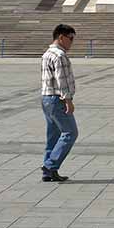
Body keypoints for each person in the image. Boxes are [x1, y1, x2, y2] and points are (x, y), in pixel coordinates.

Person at [41, 24, 77, 183]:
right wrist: (68, 100)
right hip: (58, 99)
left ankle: (49, 171)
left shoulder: (47, 53)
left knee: (53, 136)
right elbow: (61, 80)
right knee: (70, 133)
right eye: (70, 38)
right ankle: (50, 165)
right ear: (61, 37)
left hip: (46, 98)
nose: (72, 42)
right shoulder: (60, 55)